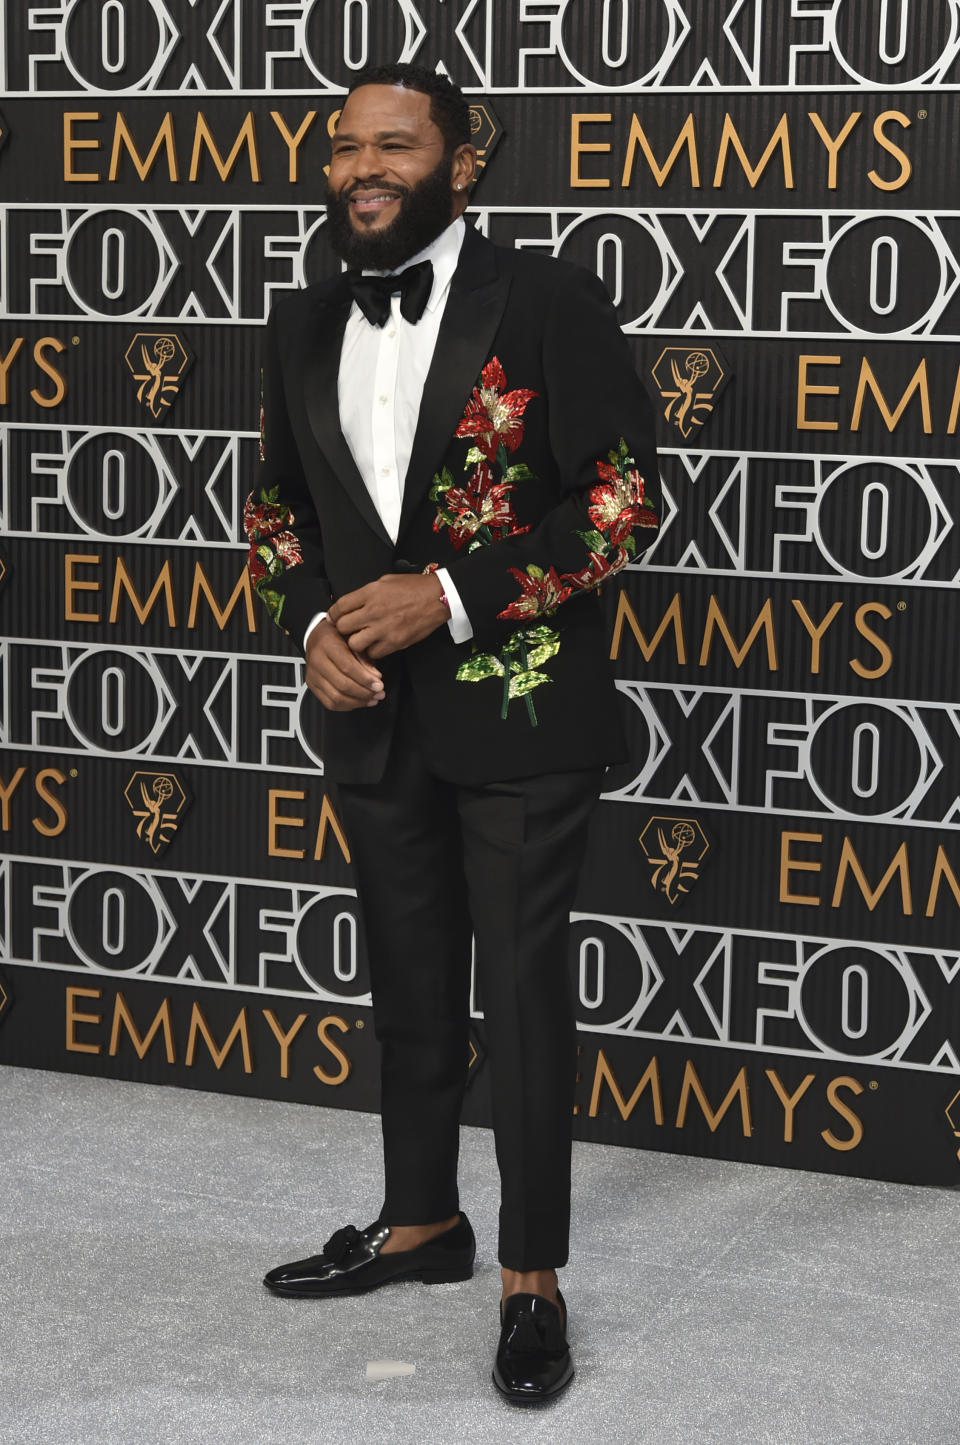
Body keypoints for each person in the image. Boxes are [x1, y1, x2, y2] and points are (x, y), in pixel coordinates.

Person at [243, 62, 660, 1404]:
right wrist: (312, 627)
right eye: (343, 145)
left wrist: (453, 596)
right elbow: (275, 510)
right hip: (369, 723)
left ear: (460, 163)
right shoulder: (300, 317)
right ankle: (420, 1221)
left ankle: (529, 1279)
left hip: (523, 712)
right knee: (409, 987)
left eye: (394, 143)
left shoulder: (545, 299)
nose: (361, 164)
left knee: (523, 1005)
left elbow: (624, 503)